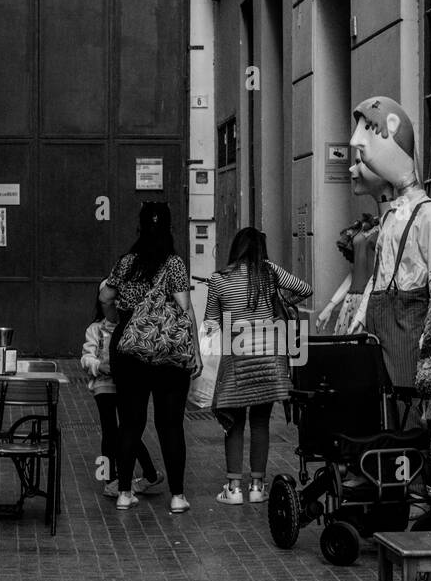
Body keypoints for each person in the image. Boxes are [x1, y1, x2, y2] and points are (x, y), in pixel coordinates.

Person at [99, 202, 199, 515]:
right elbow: (184, 306)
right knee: (170, 425)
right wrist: (194, 348)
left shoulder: (126, 263)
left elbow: (105, 296)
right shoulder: (174, 264)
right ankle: (178, 496)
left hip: (130, 348)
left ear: (140, 227)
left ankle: (125, 492)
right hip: (169, 349)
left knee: (130, 422)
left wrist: (117, 318)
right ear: (168, 227)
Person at [348, 96, 431, 390]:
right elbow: (379, 273)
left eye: (368, 129)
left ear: (392, 128)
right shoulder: (392, 217)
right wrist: (361, 314)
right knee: (386, 406)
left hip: (409, 325)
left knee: (411, 412)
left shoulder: (430, 216)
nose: (359, 141)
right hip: (381, 325)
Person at [204, 228, 312, 504]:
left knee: (235, 423)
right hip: (269, 354)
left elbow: (210, 322)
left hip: (237, 355)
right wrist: (279, 301)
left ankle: (233, 489)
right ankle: (257, 487)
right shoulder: (269, 271)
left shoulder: (219, 279)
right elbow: (305, 289)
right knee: (261, 421)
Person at [81, 291, 164, 499]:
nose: (114, 308)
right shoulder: (95, 330)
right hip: (104, 385)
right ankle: (109, 480)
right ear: (101, 306)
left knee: (129, 430)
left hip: (126, 386)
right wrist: (99, 365)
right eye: (108, 304)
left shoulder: (130, 328)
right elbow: (86, 358)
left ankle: (149, 473)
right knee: (110, 430)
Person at [317, 156, 390, 333]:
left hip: (373, 303)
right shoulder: (366, 226)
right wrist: (331, 304)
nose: (352, 169)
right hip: (351, 303)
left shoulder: (391, 225)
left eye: (359, 162)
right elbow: (355, 271)